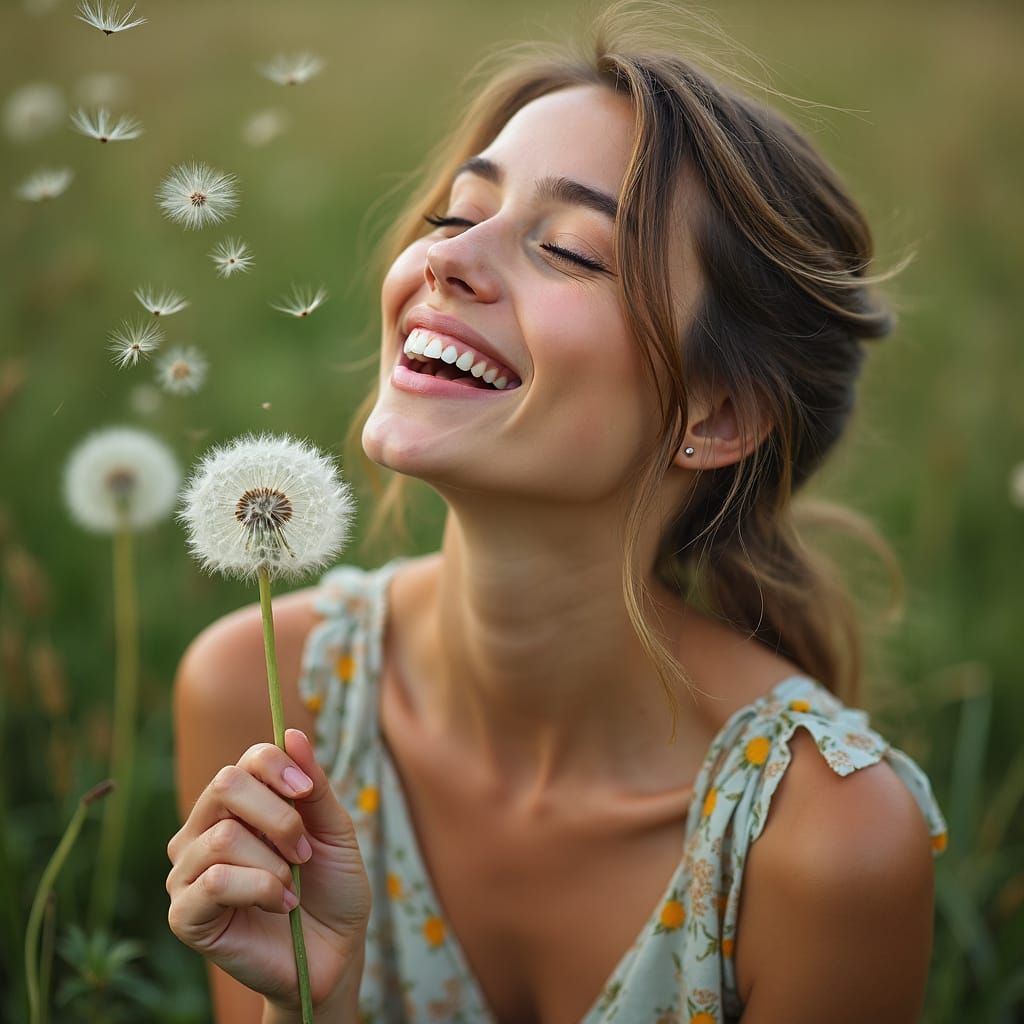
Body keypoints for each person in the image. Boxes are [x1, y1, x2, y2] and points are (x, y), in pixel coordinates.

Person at [165, 3, 949, 1021]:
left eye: (571, 251)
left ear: (716, 415)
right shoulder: (265, 698)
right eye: (456, 216)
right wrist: (311, 1005)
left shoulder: (828, 841)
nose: (445, 259)